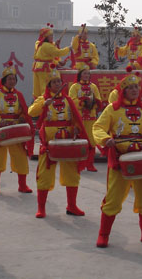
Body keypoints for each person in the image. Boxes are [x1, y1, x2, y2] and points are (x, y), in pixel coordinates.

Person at [92, 66, 142, 247]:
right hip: (121, 160)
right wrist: (105, 139)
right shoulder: (112, 109)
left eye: (136, 87)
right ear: (123, 91)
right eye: (130, 87)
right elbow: (98, 127)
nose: (135, 90)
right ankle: (103, 235)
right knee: (113, 199)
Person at [28, 64, 88, 218]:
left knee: (72, 174)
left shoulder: (68, 100)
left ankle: (72, 206)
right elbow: (31, 112)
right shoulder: (43, 99)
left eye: (58, 82)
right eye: (54, 82)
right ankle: (41, 208)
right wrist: (43, 105)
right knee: (44, 175)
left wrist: (76, 128)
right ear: (48, 85)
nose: (57, 84)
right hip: (50, 144)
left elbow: (75, 118)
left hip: (67, 142)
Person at [0, 61, 35, 194]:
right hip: (0, 130)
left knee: (20, 157)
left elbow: (23, 112)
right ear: (4, 80)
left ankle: (22, 185)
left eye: (14, 79)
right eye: (9, 79)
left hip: (15, 130)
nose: (12, 81)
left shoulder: (18, 95)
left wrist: (22, 118)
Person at [69, 66, 102, 172]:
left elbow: (98, 100)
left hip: (91, 118)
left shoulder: (93, 87)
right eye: (84, 73)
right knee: (80, 140)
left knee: (91, 141)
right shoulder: (74, 87)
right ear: (80, 75)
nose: (86, 75)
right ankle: (79, 164)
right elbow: (72, 101)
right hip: (79, 118)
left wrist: (92, 103)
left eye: (88, 74)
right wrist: (83, 102)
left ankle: (90, 164)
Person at [32, 24, 70, 99]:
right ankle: (45, 100)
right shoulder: (47, 46)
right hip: (44, 68)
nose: (52, 37)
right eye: (50, 36)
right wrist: (69, 48)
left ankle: (39, 101)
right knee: (45, 86)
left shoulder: (39, 44)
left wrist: (55, 45)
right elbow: (58, 52)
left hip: (38, 67)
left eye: (52, 35)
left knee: (38, 87)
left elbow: (49, 55)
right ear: (46, 37)